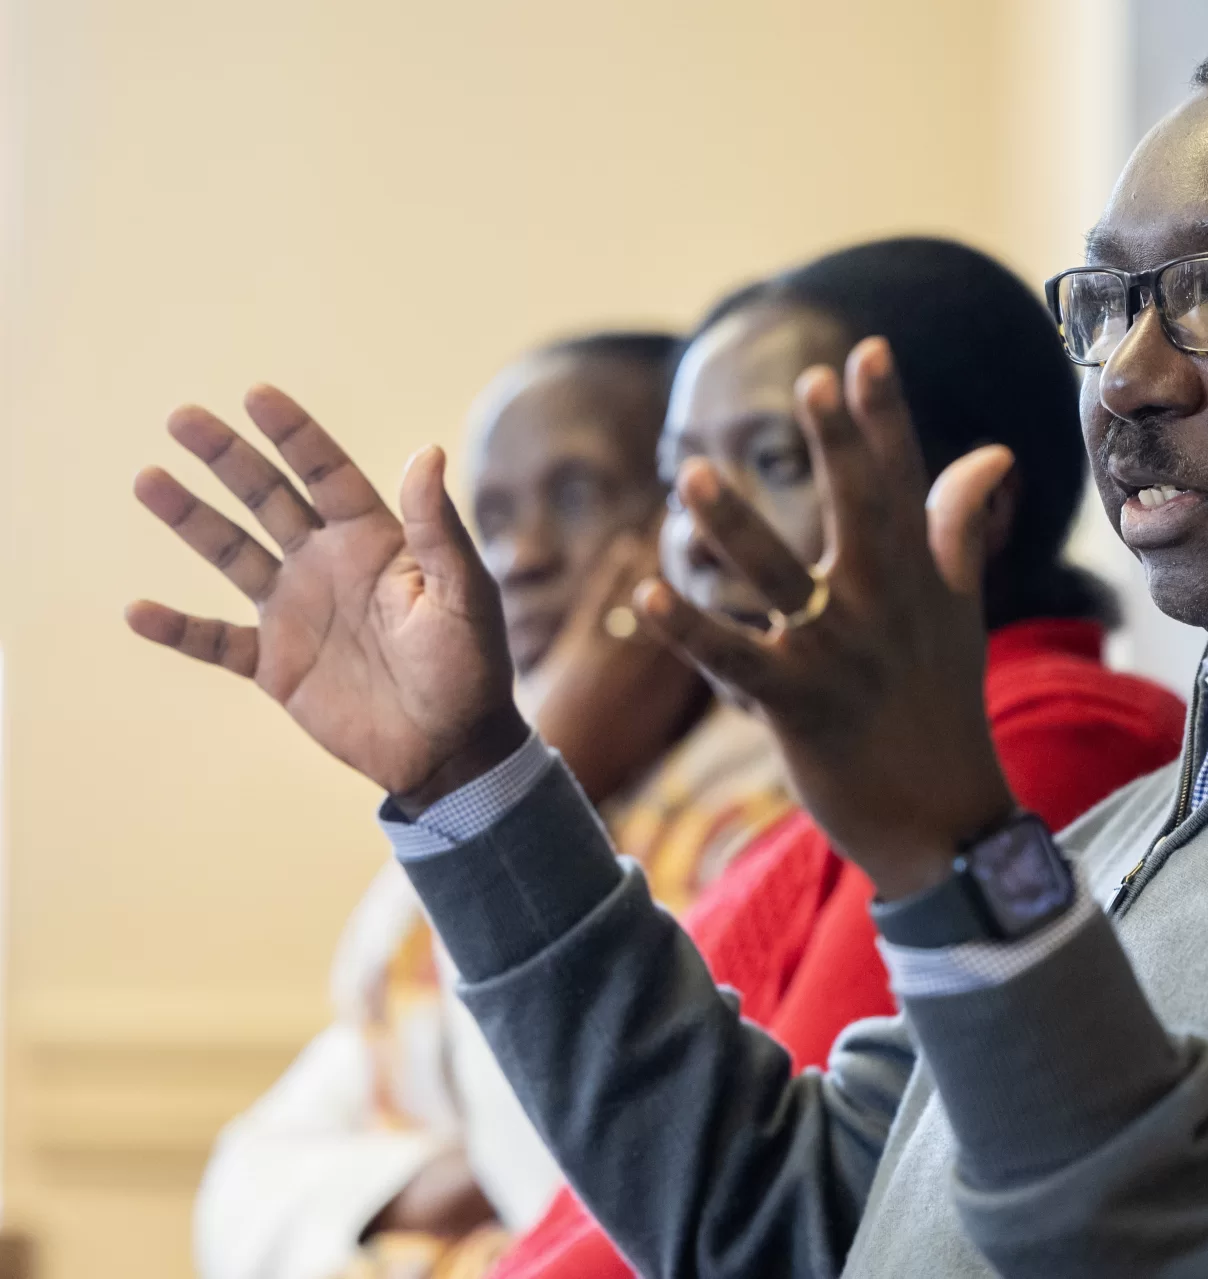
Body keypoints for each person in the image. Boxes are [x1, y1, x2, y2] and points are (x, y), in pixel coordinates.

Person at [132, 25, 1208, 1279]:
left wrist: (957, 861)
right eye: (1103, 305)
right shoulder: (1163, 812)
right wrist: (472, 781)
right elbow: (768, 1218)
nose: (1128, 375)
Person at [485, 239, 1187, 1279]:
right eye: (682, 483)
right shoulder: (826, 771)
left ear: (967, 504)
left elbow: (774, 1214)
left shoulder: (1049, 743)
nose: (701, 535)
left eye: (772, 465)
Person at [191, 333, 793, 1279]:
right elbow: (241, 1190)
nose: (521, 556)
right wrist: (550, 755)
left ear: (687, 515)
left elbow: (616, 1175)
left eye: (580, 495)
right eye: (495, 514)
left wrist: (541, 761)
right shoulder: (503, 782)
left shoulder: (771, 807)